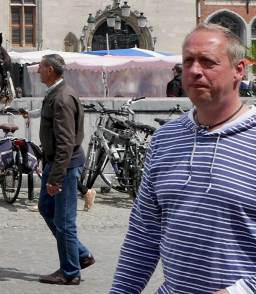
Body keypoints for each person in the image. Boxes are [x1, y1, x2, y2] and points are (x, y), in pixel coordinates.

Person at [111, 23, 256, 294]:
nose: (195, 71)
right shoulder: (166, 139)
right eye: (188, 61)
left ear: (239, 70)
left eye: (208, 62)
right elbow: (143, 234)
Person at [36, 54, 92, 285]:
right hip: (55, 164)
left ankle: (70, 272)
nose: (37, 70)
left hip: (65, 167)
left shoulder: (62, 98)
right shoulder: (56, 93)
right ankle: (79, 254)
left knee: (65, 221)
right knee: (46, 208)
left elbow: (66, 142)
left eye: (40, 67)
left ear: (50, 70)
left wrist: (56, 178)